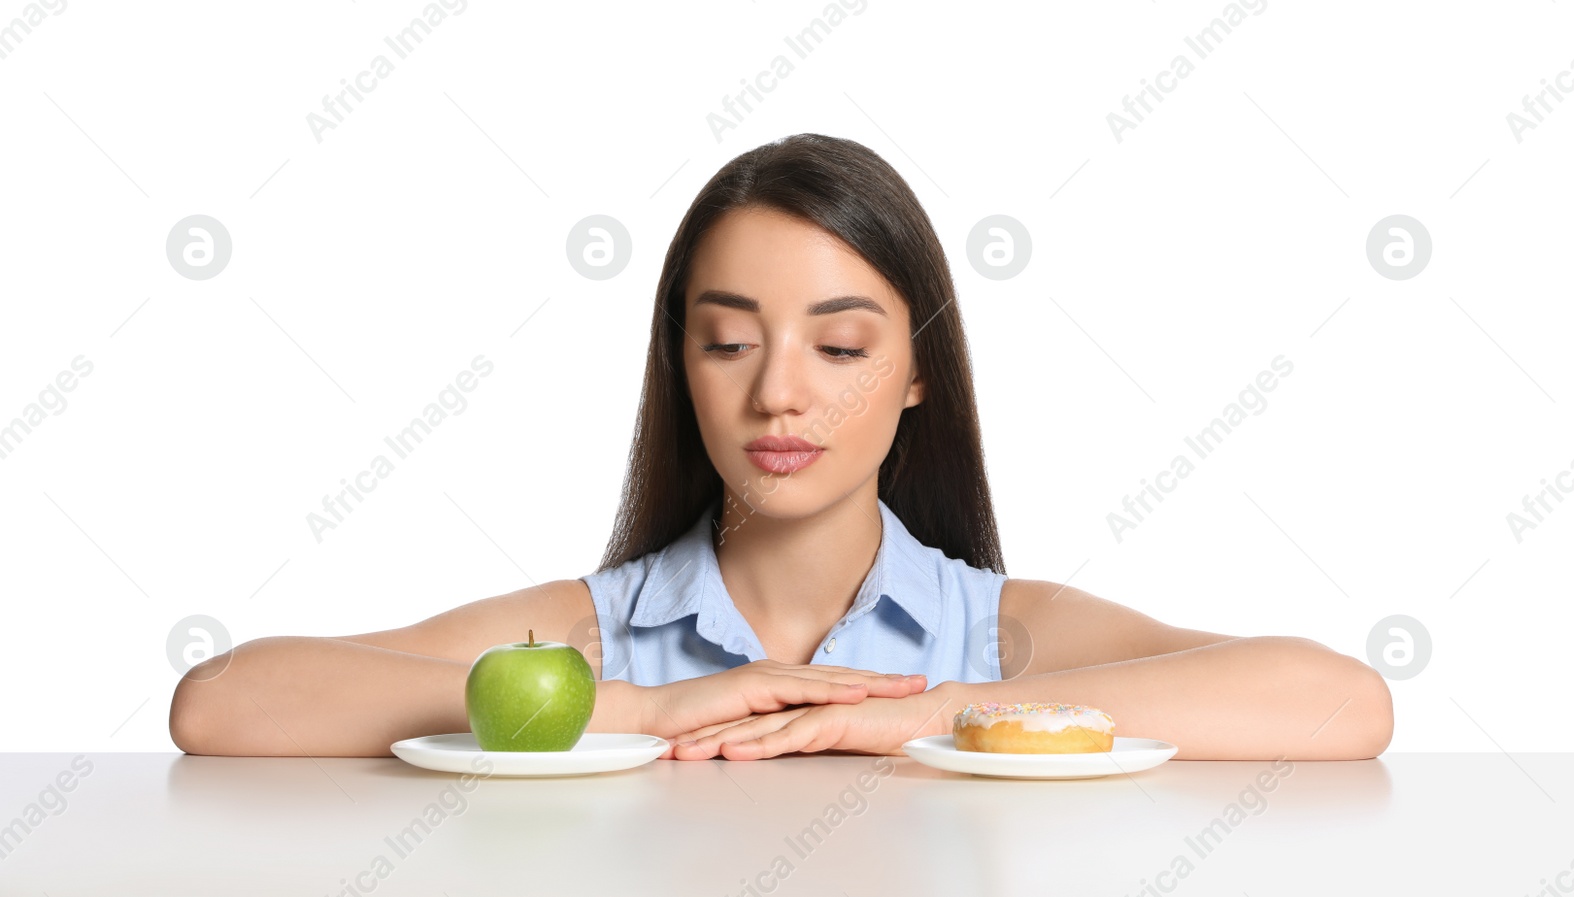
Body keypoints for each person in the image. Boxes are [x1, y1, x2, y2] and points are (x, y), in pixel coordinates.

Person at [169, 134, 1393, 762]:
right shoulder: (593, 633)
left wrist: (935, 717)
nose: (778, 397)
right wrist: (638, 715)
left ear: (918, 376)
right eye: (728, 343)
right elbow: (222, 705)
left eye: (842, 348)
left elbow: (1343, 703)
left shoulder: (1000, 635)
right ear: (682, 368)